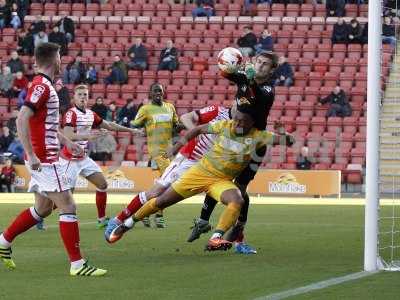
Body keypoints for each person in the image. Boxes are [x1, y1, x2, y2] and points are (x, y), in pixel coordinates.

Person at [106, 107, 294, 251]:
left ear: (252, 123)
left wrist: (283, 132)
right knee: (161, 201)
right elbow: (195, 130)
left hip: (220, 182)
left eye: (242, 122)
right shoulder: (224, 125)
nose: (236, 124)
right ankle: (127, 224)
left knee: (237, 199)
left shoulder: (259, 137)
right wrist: (178, 145)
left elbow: (290, 141)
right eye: (235, 120)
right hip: (199, 173)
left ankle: (216, 237)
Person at [0, 42, 107, 276]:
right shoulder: (41, 86)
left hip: (45, 155)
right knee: (68, 205)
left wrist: (67, 142)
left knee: (43, 208)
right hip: (45, 159)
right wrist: (31, 154)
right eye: (60, 56)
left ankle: (4, 241)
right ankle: (77, 265)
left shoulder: (45, 85)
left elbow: (43, 123)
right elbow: (21, 119)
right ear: (54, 60)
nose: (62, 60)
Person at [189, 52, 278, 254]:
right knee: (218, 176)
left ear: (272, 70)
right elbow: (225, 72)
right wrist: (231, 65)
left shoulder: (268, 89)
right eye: (258, 62)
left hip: (254, 144)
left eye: (266, 64)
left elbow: (258, 97)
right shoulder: (245, 79)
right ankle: (203, 221)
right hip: (233, 138)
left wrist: (247, 77)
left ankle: (237, 234)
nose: (261, 66)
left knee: (241, 189)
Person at [105, 104, 230, 242]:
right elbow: (186, 117)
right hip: (189, 158)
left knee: (232, 195)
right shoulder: (219, 111)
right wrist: (195, 131)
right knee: (156, 192)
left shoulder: (243, 125)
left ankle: (208, 224)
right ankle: (118, 220)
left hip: (208, 166)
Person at [37, 84, 142, 230]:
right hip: (69, 161)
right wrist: (89, 135)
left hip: (83, 159)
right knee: (65, 199)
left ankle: (101, 219)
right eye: (80, 95)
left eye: (85, 95)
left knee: (103, 184)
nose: (82, 98)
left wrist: (132, 130)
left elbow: (109, 125)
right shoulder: (71, 113)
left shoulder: (90, 114)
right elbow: (67, 135)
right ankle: (39, 215)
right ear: (74, 97)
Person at [129, 83, 182, 228]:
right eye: (155, 91)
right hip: (156, 152)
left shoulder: (170, 107)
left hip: (169, 151)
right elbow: (135, 124)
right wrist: (139, 127)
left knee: (161, 184)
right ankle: (158, 216)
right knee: (167, 184)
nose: (158, 93)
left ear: (163, 93)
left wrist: (181, 126)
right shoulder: (145, 109)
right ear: (150, 94)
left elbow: (175, 128)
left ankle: (145, 212)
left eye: (160, 91)